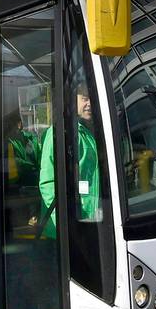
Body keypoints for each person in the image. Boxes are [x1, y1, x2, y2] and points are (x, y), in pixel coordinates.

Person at [37, 84, 100, 237]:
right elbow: (48, 183)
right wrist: (64, 223)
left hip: (92, 216)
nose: (89, 104)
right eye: (85, 99)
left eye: (92, 99)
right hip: (70, 225)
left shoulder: (93, 131)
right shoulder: (60, 132)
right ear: (73, 101)